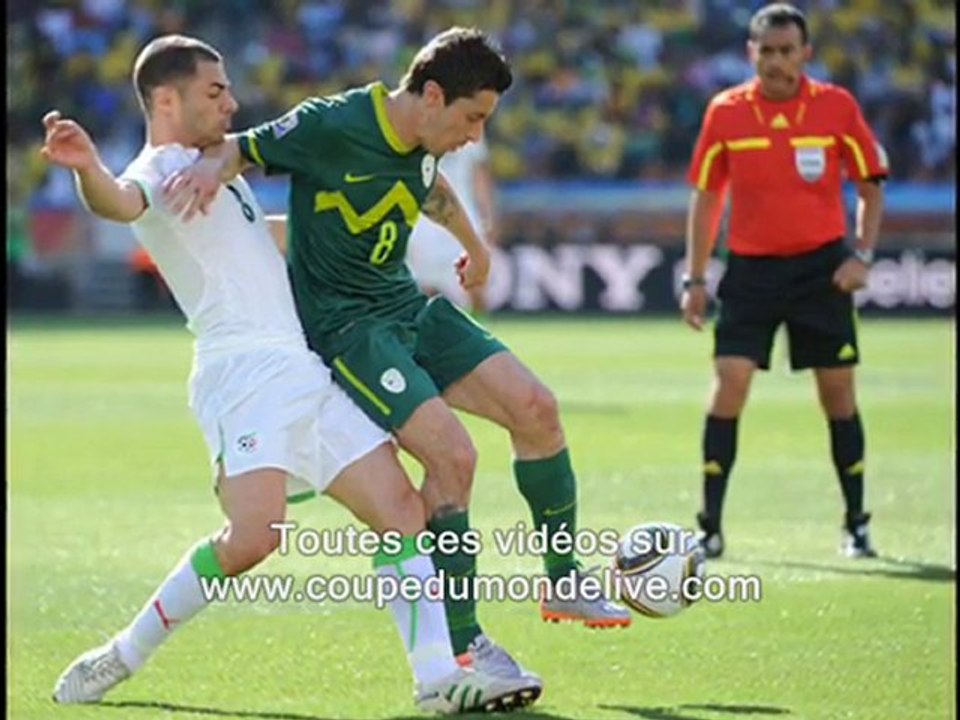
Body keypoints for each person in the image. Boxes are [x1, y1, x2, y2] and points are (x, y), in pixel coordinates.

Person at [41, 35, 541, 714]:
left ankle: (436, 678)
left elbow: (267, 236)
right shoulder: (160, 171)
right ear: (166, 98)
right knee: (255, 539)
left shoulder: (221, 171)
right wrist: (84, 168)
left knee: (400, 510)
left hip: (302, 366)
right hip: (240, 372)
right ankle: (122, 655)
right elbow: (119, 201)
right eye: (215, 91)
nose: (232, 102)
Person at [164, 26, 632, 670]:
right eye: (472, 118)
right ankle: (465, 647)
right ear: (432, 96)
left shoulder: (423, 140)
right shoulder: (335, 124)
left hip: (407, 306)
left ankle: (563, 579)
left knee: (537, 408)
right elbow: (240, 149)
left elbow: (431, 189)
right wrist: (206, 171)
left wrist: (478, 243)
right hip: (350, 331)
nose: (475, 135)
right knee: (453, 454)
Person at [680, 4, 887, 559]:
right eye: (765, 51)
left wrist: (862, 255)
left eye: (786, 51)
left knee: (837, 395)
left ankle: (856, 523)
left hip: (823, 270)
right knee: (730, 384)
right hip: (750, 272)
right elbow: (706, 197)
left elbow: (870, 184)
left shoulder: (837, 108)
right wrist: (695, 278)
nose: (775, 61)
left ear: (805, 54)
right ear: (752, 53)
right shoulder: (725, 113)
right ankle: (710, 527)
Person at [406, 136, 498, 313]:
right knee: (423, 292)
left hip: (464, 216)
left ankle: (479, 336)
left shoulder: (470, 121)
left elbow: (479, 176)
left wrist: (487, 219)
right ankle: (427, 337)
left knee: (476, 287)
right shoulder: (418, 122)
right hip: (423, 220)